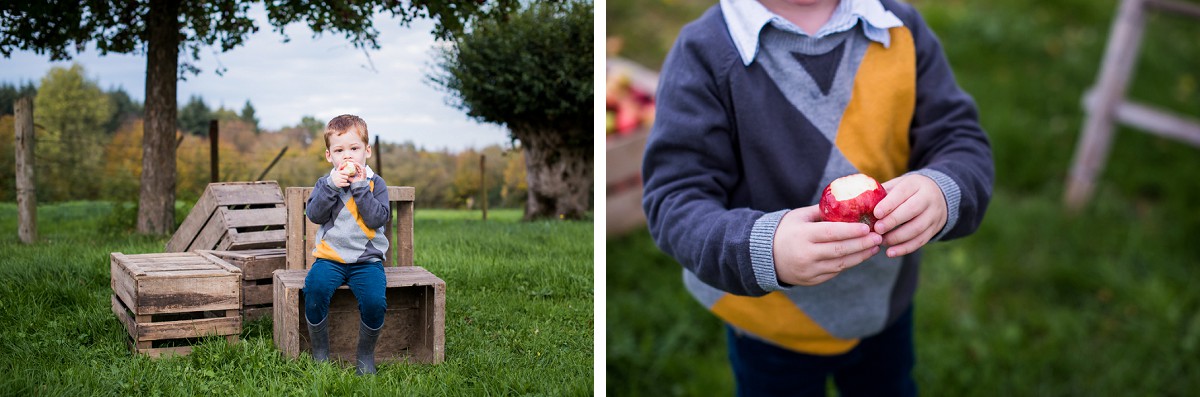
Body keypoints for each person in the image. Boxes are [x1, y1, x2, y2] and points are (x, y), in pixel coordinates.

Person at [641, 0, 994, 395]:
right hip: (770, 328)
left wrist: (943, 189)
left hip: (880, 304)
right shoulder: (705, 52)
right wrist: (765, 248)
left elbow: (960, 139)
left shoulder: (898, 27)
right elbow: (675, 199)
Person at [304, 114, 391, 375]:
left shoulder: (376, 184)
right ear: (329, 155)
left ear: (367, 151)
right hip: (330, 257)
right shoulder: (325, 183)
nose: (348, 156)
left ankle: (365, 356)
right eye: (340, 150)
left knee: (375, 301)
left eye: (354, 149)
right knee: (315, 289)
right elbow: (315, 215)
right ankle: (320, 354)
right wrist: (331, 187)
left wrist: (361, 188)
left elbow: (377, 219)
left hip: (367, 261)